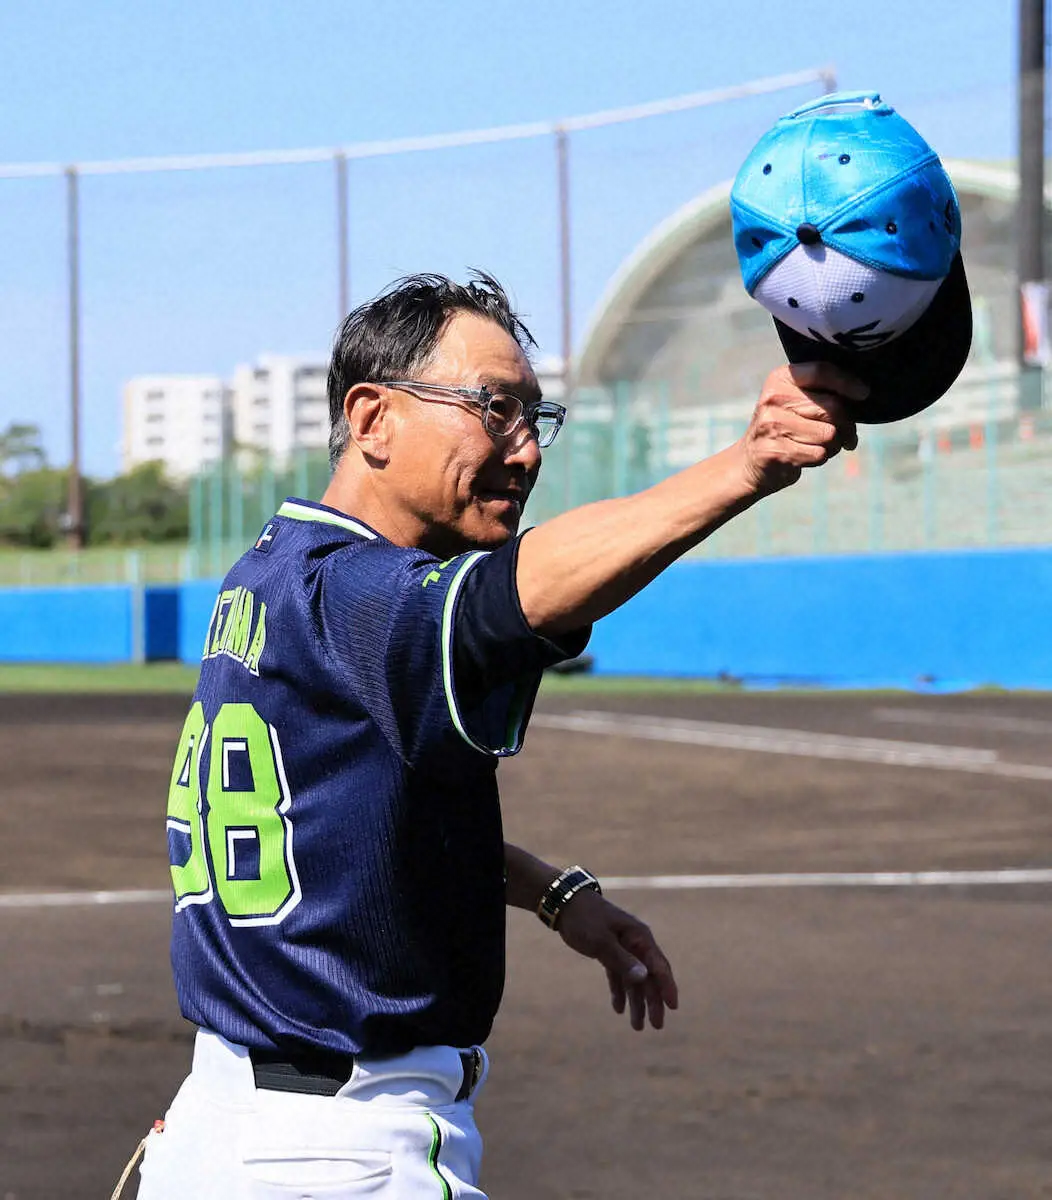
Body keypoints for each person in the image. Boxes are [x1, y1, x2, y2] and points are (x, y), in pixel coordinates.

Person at [133, 271, 861, 1199]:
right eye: (493, 409)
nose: (525, 451)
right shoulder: (362, 596)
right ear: (372, 420)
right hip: (341, 1156)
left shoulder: (268, 577)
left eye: (534, 416)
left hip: (220, 1127)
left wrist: (554, 893)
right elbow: (511, 595)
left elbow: (350, 827)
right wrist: (748, 464)